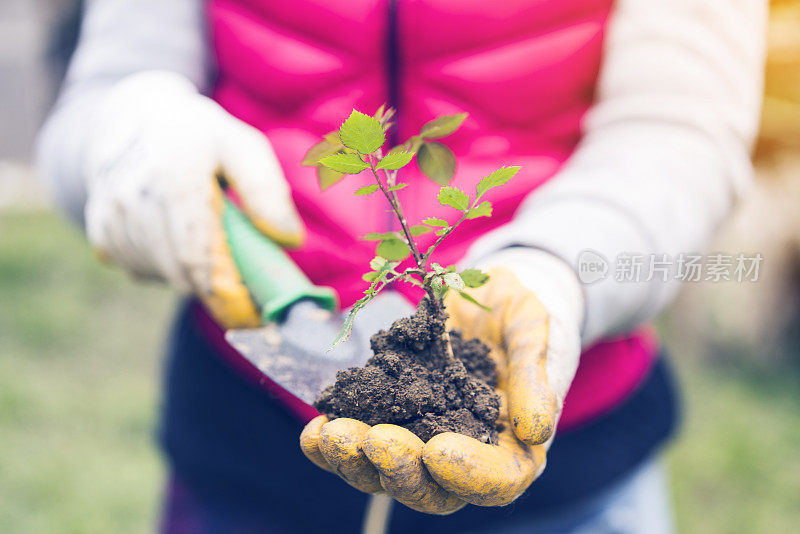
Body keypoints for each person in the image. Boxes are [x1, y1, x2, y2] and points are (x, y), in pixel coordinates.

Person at [37, 0, 766, 532]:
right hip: (245, 446)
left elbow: (679, 135)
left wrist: (551, 268)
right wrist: (130, 133)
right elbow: (96, 101)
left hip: (568, 463)